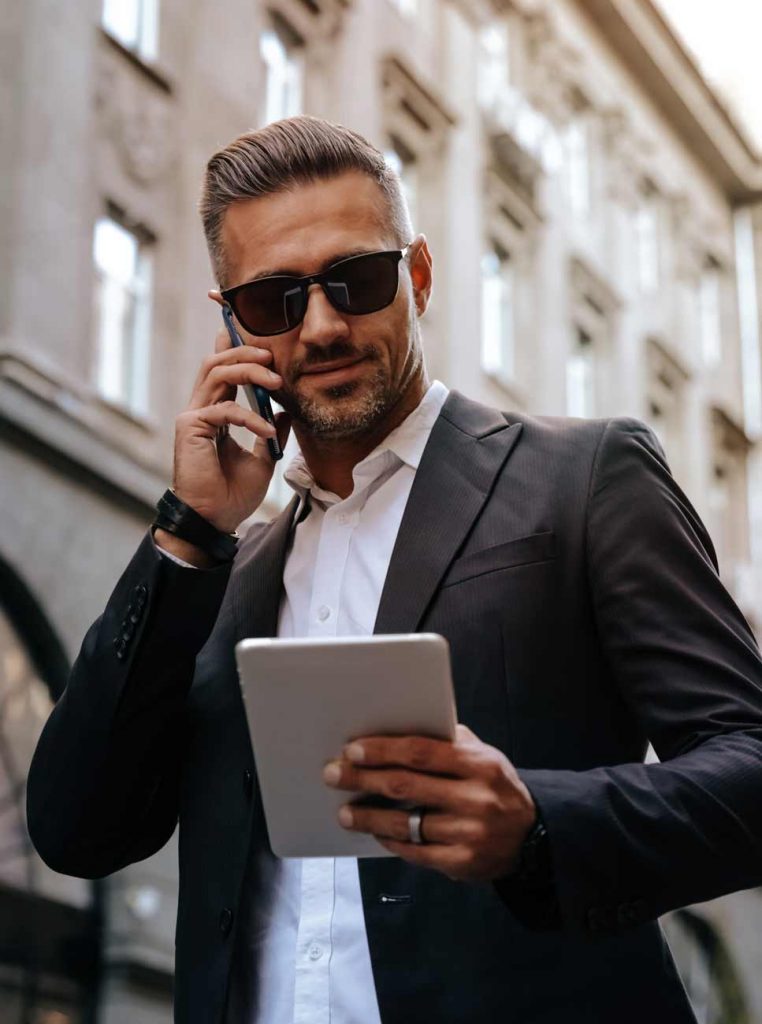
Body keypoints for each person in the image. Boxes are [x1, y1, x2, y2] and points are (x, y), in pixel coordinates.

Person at [27, 116, 762, 1024]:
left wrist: (537, 822)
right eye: (275, 300)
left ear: (416, 276)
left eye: (357, 280)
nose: (324, 325)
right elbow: (75, 832)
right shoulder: (225, 573)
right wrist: (189, 533)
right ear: (233, 323)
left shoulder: (585, 477)